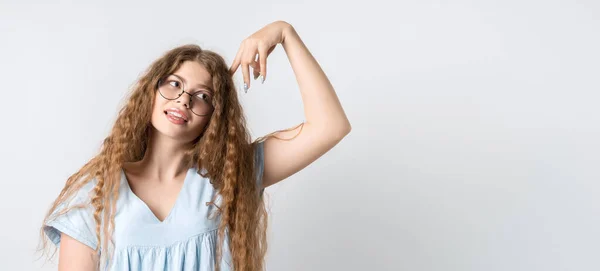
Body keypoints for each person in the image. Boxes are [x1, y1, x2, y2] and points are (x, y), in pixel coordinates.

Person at [39, 20, 351, 271]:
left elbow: (330, 127)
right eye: (174, 84)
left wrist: (284, 33)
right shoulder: (95, 194)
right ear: (150, 92)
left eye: (203, 96)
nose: (184, 99)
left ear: (214, 118)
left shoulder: (228, 177)